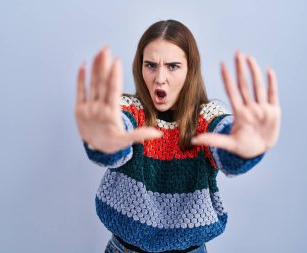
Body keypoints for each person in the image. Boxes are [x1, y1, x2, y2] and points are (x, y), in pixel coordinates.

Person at [74, 19, 281, 253]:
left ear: (190, 70)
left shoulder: (206, 116)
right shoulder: (130, 109)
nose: (160, 78)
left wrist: (243, 152)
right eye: (150, 65)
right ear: (139, 67)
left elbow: (225, 138)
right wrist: (103, 144)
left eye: (172, 66)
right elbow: (117, 129)